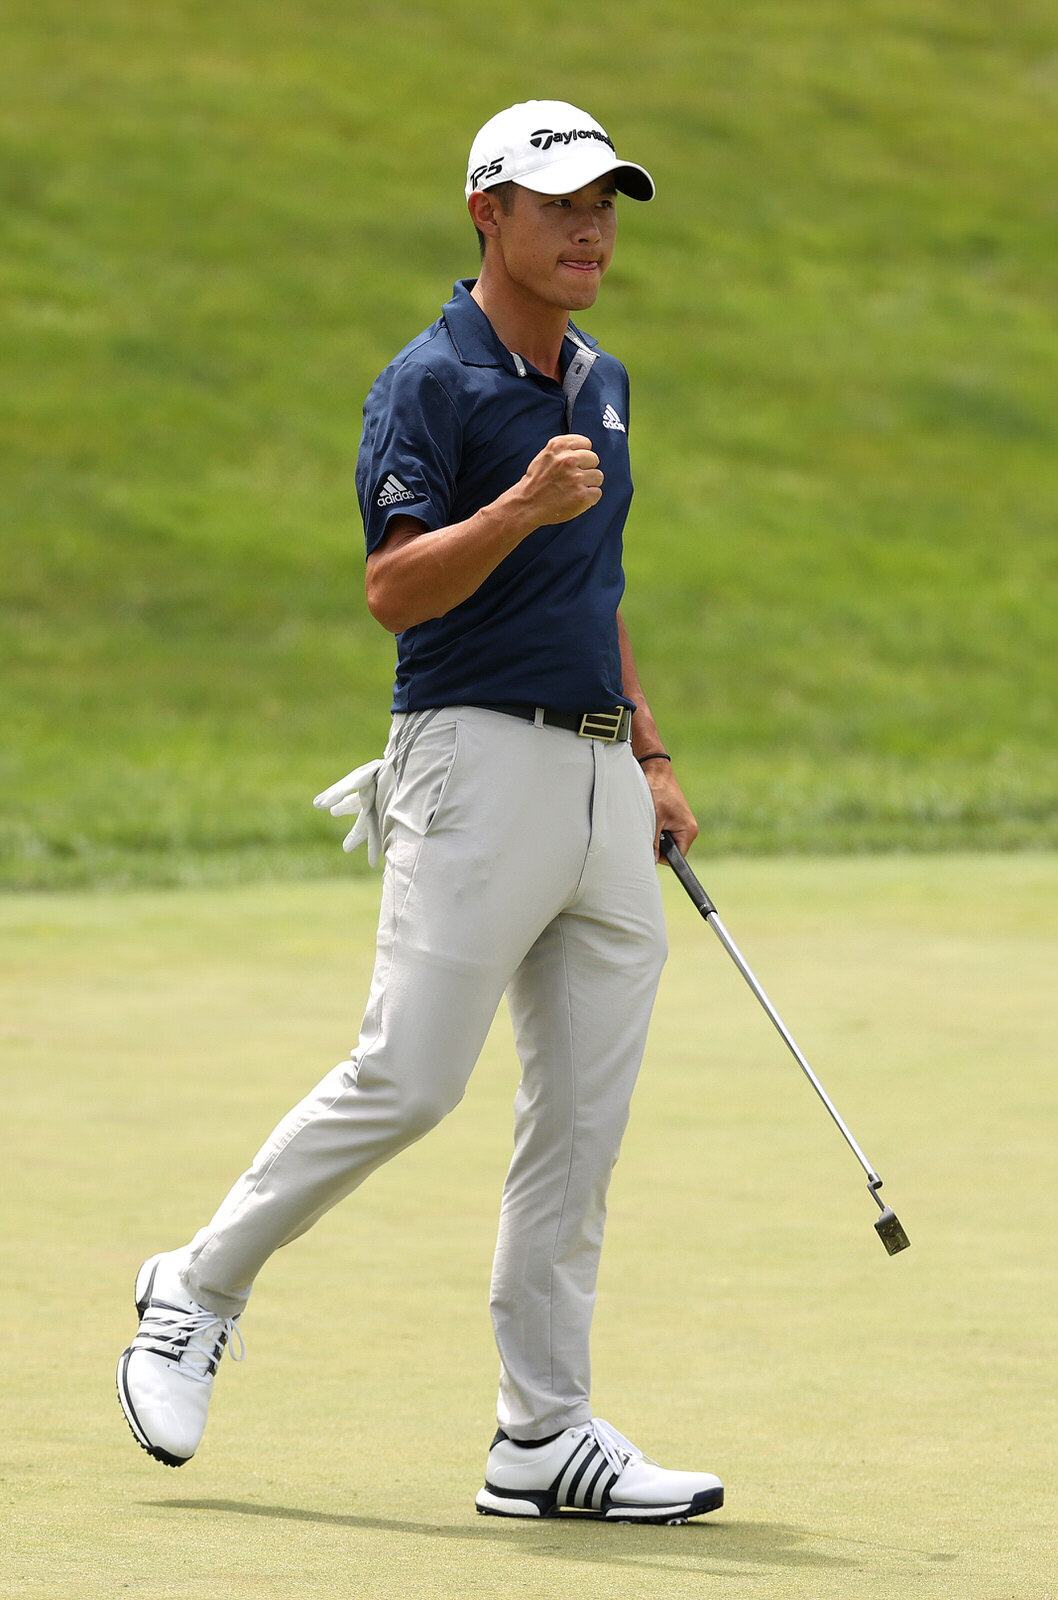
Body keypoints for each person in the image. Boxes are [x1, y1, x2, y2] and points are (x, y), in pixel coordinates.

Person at [117, 100, 724, 1525]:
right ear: (486, 215)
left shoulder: (603, 378)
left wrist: (647, 750)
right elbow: (394, 592)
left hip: (591, 775)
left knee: (580, 1122)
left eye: (606, 205)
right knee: (410, 1076)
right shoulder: (430, 383)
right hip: (469, 763)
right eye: (560, 203)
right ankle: (190, 1291)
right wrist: (515, 506)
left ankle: (542, 1434)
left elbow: (602, 587)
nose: (590, 229)